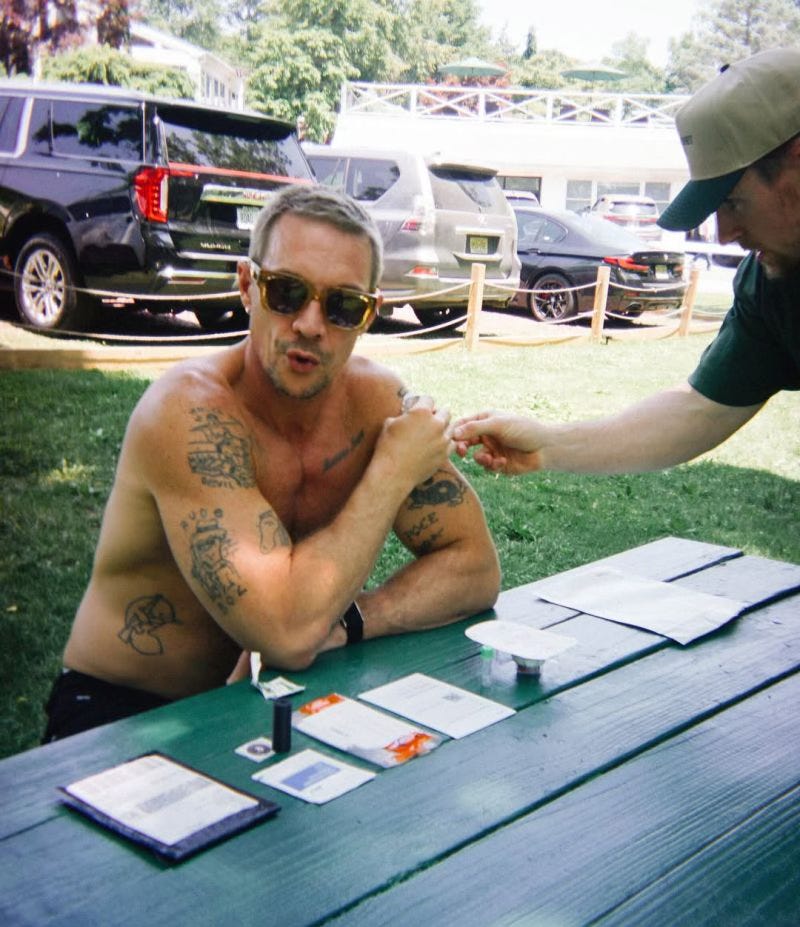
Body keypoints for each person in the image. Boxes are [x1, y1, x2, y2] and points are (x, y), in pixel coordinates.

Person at [44, 185, 500, 741]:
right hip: (120, 712)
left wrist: (352, 621)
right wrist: (391, 473)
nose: (310, 324)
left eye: (342, 305)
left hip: (248, 706)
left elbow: (475, 569)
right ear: (247, 286)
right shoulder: (187, 413)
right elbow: (286, 633)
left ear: (369, 316)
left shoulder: (375, 405)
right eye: (286, 292)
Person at [454, 46, 800, 476]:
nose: (725, 234)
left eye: (733, 202)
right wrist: (550, 445)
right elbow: (702, 409)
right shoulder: (773, 281)